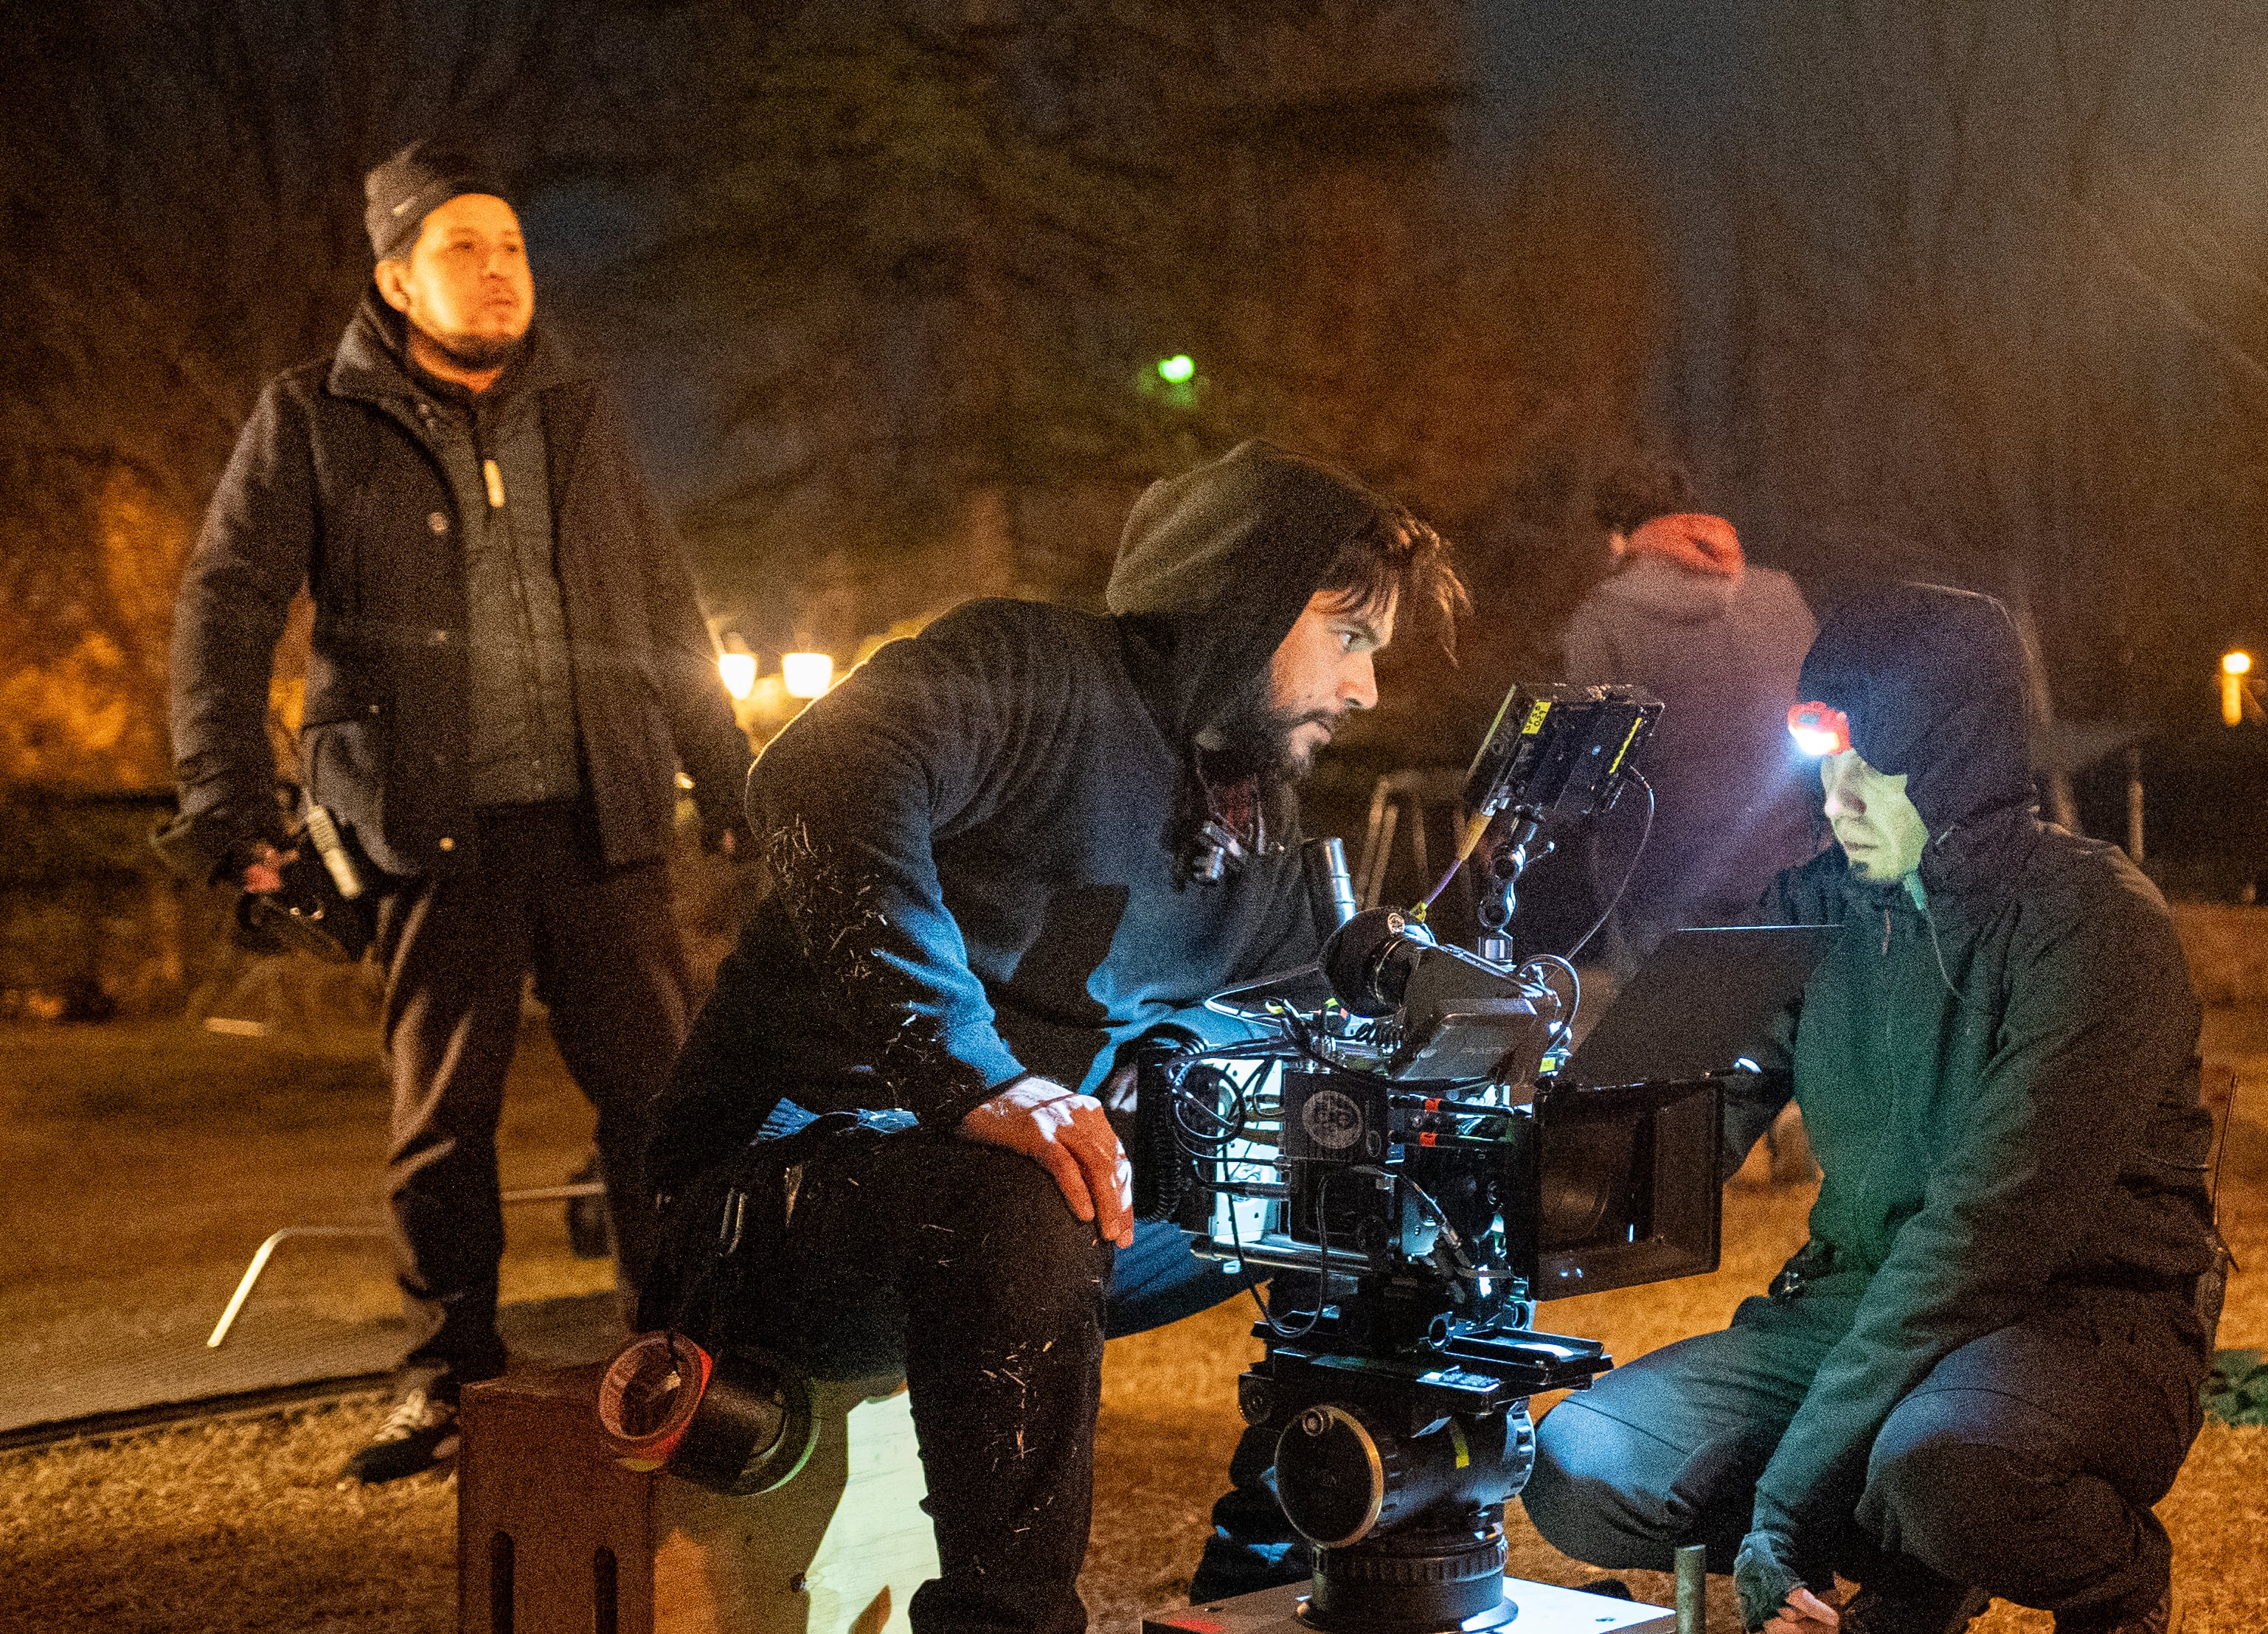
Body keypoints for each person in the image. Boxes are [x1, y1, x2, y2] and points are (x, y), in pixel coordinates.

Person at [641, 440, 1464, 1634]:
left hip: (1008, 1224)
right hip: (756, 1216)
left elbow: (1355, 975)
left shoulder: (1233, 814)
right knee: (1026, 1191)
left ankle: (1260, 1599)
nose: (1367, 690)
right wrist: (970, 1073)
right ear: (1242, 605)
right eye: (1350, 638)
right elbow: (817, 774)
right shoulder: (1034, 671)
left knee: (1363, 1176)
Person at [159, 140, 754, 1484]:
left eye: (513, 248)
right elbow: (226, 606)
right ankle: (447, 1374)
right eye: (460, 250)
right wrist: (228, 800)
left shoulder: (581, 411)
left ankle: (678, 1351)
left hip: (602, 813)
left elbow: (664, 606)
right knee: (444, 1120)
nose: (497, 273)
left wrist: (724, 771)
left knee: (663, 1101)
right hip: (426, 830)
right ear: (393, 278)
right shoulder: (312, 414)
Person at [1522, 584, 2216, 1634]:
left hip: (2079, 1321)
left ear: (1955, 763)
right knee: (1584, 1463)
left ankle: (2110, 1583)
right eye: (1823, 770)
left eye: (1870, 769)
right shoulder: (1812, 906)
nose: (1836, 803)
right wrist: (1525, 1159)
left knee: (1943, 1470)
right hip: (1851, 1308)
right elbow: (1670, 1126)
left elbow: (1981, 1242)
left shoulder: (2094, 931)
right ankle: (1914, 1580)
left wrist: (1782, 1505)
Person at [1557, 456, 1817, 971]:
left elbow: (1585, 770)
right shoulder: (1782, 594)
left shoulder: (1605, 617)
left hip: (1662, 883)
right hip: (1794, 868)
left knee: (1668, 1039)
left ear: (1616, 537)